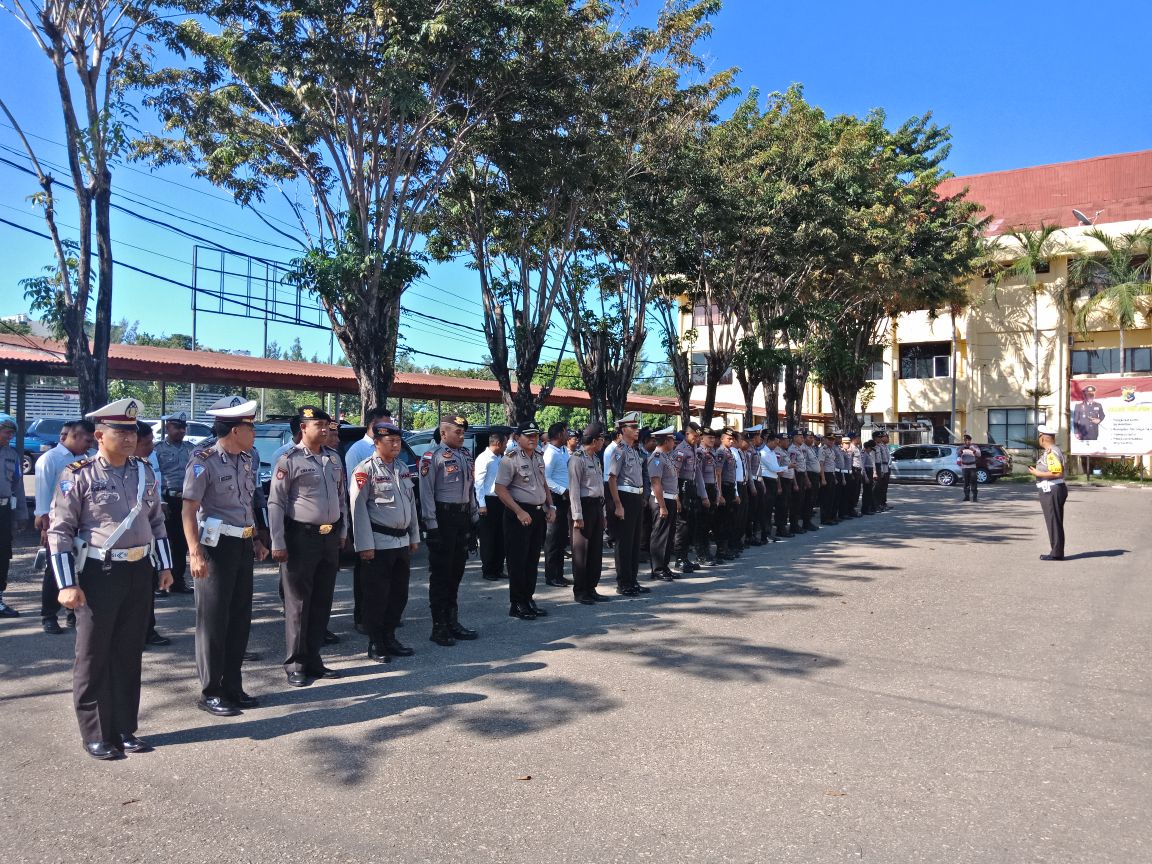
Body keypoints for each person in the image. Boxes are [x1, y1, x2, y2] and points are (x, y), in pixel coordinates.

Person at [47, 398, 173, 760]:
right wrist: (66, 584)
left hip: (138, 570)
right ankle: (96, 732)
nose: (130, 437)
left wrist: (164, 568)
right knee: (93, 654)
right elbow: (60, 532)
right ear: (100, 435)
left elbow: (156, 522)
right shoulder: (78, 474)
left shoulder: (144, 472)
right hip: (98, 573)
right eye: (122, 431)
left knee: (128, 653)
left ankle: (123, 728)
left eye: (133, 430)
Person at [182, 397, 268, 714]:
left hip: (243, 544)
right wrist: (195, 553)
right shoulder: (203, 461)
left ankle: (233, 685)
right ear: (234, 430)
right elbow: (188, 510)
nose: (254, 431)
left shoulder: (246, 459)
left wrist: (257, 538)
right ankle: (211, 691)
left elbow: (247, 504)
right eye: (250, 426)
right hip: (215, 548)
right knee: (213, 622)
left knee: (239, 619)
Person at [269, 406, 348, 687]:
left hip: (329, 537)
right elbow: (276, 503)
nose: (325, 430)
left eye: (328, 425)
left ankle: (314, 658)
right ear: (303, 427)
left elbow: (341, 499)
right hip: (300, 537)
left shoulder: (334, 459)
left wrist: (343, 531)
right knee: (299, 603)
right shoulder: (287, 460)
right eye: (319, 425)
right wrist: (277, 541)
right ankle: (295, 664)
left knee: (322, 600)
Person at [349, 420, 419, 663]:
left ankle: (390, 637)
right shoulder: (365, 469)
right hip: (378, 543)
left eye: (398, 440)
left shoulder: (402, 468)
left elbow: (411, 504)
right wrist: (364, 545)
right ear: (377, 443)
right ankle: (376, 642)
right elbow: (357, 509)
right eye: (390, 441)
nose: (396, 445)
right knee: (376, 596)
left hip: (401, 542)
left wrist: (414, 536)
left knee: (399, 594)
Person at [418, 413, 480, 645]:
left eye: (463, 431)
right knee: (441, 576)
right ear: (443, 433)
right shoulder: (431, 457)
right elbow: (426, 495)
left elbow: (470, 489)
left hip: (462, 518)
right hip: (442, 520)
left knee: (456, 574)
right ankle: (439, 626)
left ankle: (453, 621)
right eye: (457, 431)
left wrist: (474, 518)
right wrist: (431, 527)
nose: (462, 435)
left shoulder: (465, 455)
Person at [34, 419, 95, 631]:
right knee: (55, 569)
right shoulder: (50, 459)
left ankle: (74, 612)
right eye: (87, 440)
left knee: (81, 568)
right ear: (74, 436)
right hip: (57, 524)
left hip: (82, 523)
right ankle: (49, 615)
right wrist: (45, 526)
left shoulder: (87, 459)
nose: (90, 444)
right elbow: (43, 496)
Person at [495, 420, 555, 618]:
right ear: (517, 438)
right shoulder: (509, 459)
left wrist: (550, 505)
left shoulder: (539, 456)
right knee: (517, 561)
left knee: (532, 560)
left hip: (537, 513)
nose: (533, 439)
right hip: (518, 514)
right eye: (528, 436)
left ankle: (529, 598)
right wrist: (519, 511)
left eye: (536, 435)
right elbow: (500, 489)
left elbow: (543, 483)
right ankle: (517, 603)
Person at [344, 406, 390, 634]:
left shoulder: (389, 447)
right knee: (365, 571)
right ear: (373, 425)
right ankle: (362, 616)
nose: (389, 430)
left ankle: (384, 616)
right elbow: (354, 492)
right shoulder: (358, 450)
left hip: (387, 524)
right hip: (366, 519)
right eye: (385, 425)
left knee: (384, 574)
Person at [133, 422, 172, 648]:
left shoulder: (145, 466)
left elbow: (156, 518)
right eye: (146, 443)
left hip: (146, 542)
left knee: (147, 592)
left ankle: (148, 630)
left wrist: (164, 565)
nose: (151, 447)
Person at [152, 412, 197, 595]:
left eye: (182, 427)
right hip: (166, 499)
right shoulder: (158, 449)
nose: (180, 431)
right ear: (167, 428)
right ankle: (161, 582)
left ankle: (178, 581)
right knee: (164, 540)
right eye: (176, 427)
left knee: (181, 543)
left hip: (186, 500)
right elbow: (154, 476)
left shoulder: (191, 449)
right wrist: (160, 501)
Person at [607, 412, 648, 595]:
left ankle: (633, 579)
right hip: (625, 497)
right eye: (633, 427)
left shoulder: (634, 450)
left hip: (636, 498)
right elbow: (612, 479)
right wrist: (618, 504)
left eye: (637, 427)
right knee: (624, 542)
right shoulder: (619, 451)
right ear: (623, 430)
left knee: (635, 541)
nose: (637, 430)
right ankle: (623, 582)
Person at [569, 423, 609, 605]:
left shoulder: (595, 458)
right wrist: (577, 515)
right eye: (601, 439)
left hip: (596, 507)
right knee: (581, 552)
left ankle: (591, 587)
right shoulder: (577, 459)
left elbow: (600, 488)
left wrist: (604, 513)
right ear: (594, 441)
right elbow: (574, 489)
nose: (603, 442)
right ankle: (580, 590)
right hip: (583, 507)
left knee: (595, 550)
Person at [1028, 425, 1068, 561]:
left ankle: (1056, 553)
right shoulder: (1052, 451)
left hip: (1051, 490)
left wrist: (1037, 473)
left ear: (1043, 438)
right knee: (1054, 521)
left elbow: (1058, 472)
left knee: (1053, 522)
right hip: (1052, 489)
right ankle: (1057, 551)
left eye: (1039, 436)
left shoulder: (1051, 452)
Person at [0, 414, 27, 618]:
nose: (9, 436)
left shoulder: (12, 456)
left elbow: (18, 487)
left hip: (4, 511)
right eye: (6, 431)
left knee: (2, 555)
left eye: (11, 433)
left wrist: (20, 515)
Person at [474, 430, 509, 582]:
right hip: (488, 501)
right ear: (497, 443)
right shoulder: (484, 458)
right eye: (505, 444)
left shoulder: (501, 458)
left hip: (502, 500)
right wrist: (481, 504)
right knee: (488, 537)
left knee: (501, 536)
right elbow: (479, 484)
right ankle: (488, 569)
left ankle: (498, 567)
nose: (506, 447)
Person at [672, 422, 706, 572]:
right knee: (682, 525)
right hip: (681, 487)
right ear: (687, 435)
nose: (697, 439)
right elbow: (675, 475)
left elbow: (697, 473)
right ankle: (679, 559)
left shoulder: (694, 449)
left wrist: (703, 495)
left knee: (691, 523)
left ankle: (685, 556)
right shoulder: (681, 451)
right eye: (694, 436)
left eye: (699, 436)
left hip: (691, 487)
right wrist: (677, 498)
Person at [542, 421, 572, 588]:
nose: (568, 434)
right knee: (553, 539)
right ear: (560, 434)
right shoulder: (550, 454)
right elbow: (545, 479)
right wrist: (562, 490)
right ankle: (551, 575)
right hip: (555, 497)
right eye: (566, 431)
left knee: (561, 539)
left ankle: (559, 574)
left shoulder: (562, 451)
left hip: (563, 498)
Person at [647, 427, 679, 581]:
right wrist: (662, 506)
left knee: (668, 535)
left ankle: (664, 566)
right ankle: (657, 568)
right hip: (662, 500)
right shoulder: (657, 457)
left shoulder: (666, 457)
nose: (674, 442)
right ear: (666, 441)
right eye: (672, 439)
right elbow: (655, 482)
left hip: (670, 499)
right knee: (660, 535)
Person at [757, 431, 784, 542]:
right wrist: (787, 467)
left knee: (769, 510)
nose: (776, 445)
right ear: (769, 441)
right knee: (765, 510)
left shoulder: (772, 453)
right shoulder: (763, 453)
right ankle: (764, 535)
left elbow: (776, 470)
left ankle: (768, 533)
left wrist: (778, 484)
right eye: (775, 442)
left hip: (773, 481)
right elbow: (773, 468)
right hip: (766, 481)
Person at [957, 434, 982, 503]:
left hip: (972, 466)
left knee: (973, 482)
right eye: (966, 440)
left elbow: (979, 454)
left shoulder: (974, 446)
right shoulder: (961, 447)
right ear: (964, 441)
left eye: (968, 440)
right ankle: (967, 496)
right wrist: (961, 451)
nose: (967, 441)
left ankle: (974, 497)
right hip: (964, 467)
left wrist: (973, 450)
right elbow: (958, 454)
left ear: (970, 440)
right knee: (966, 483)